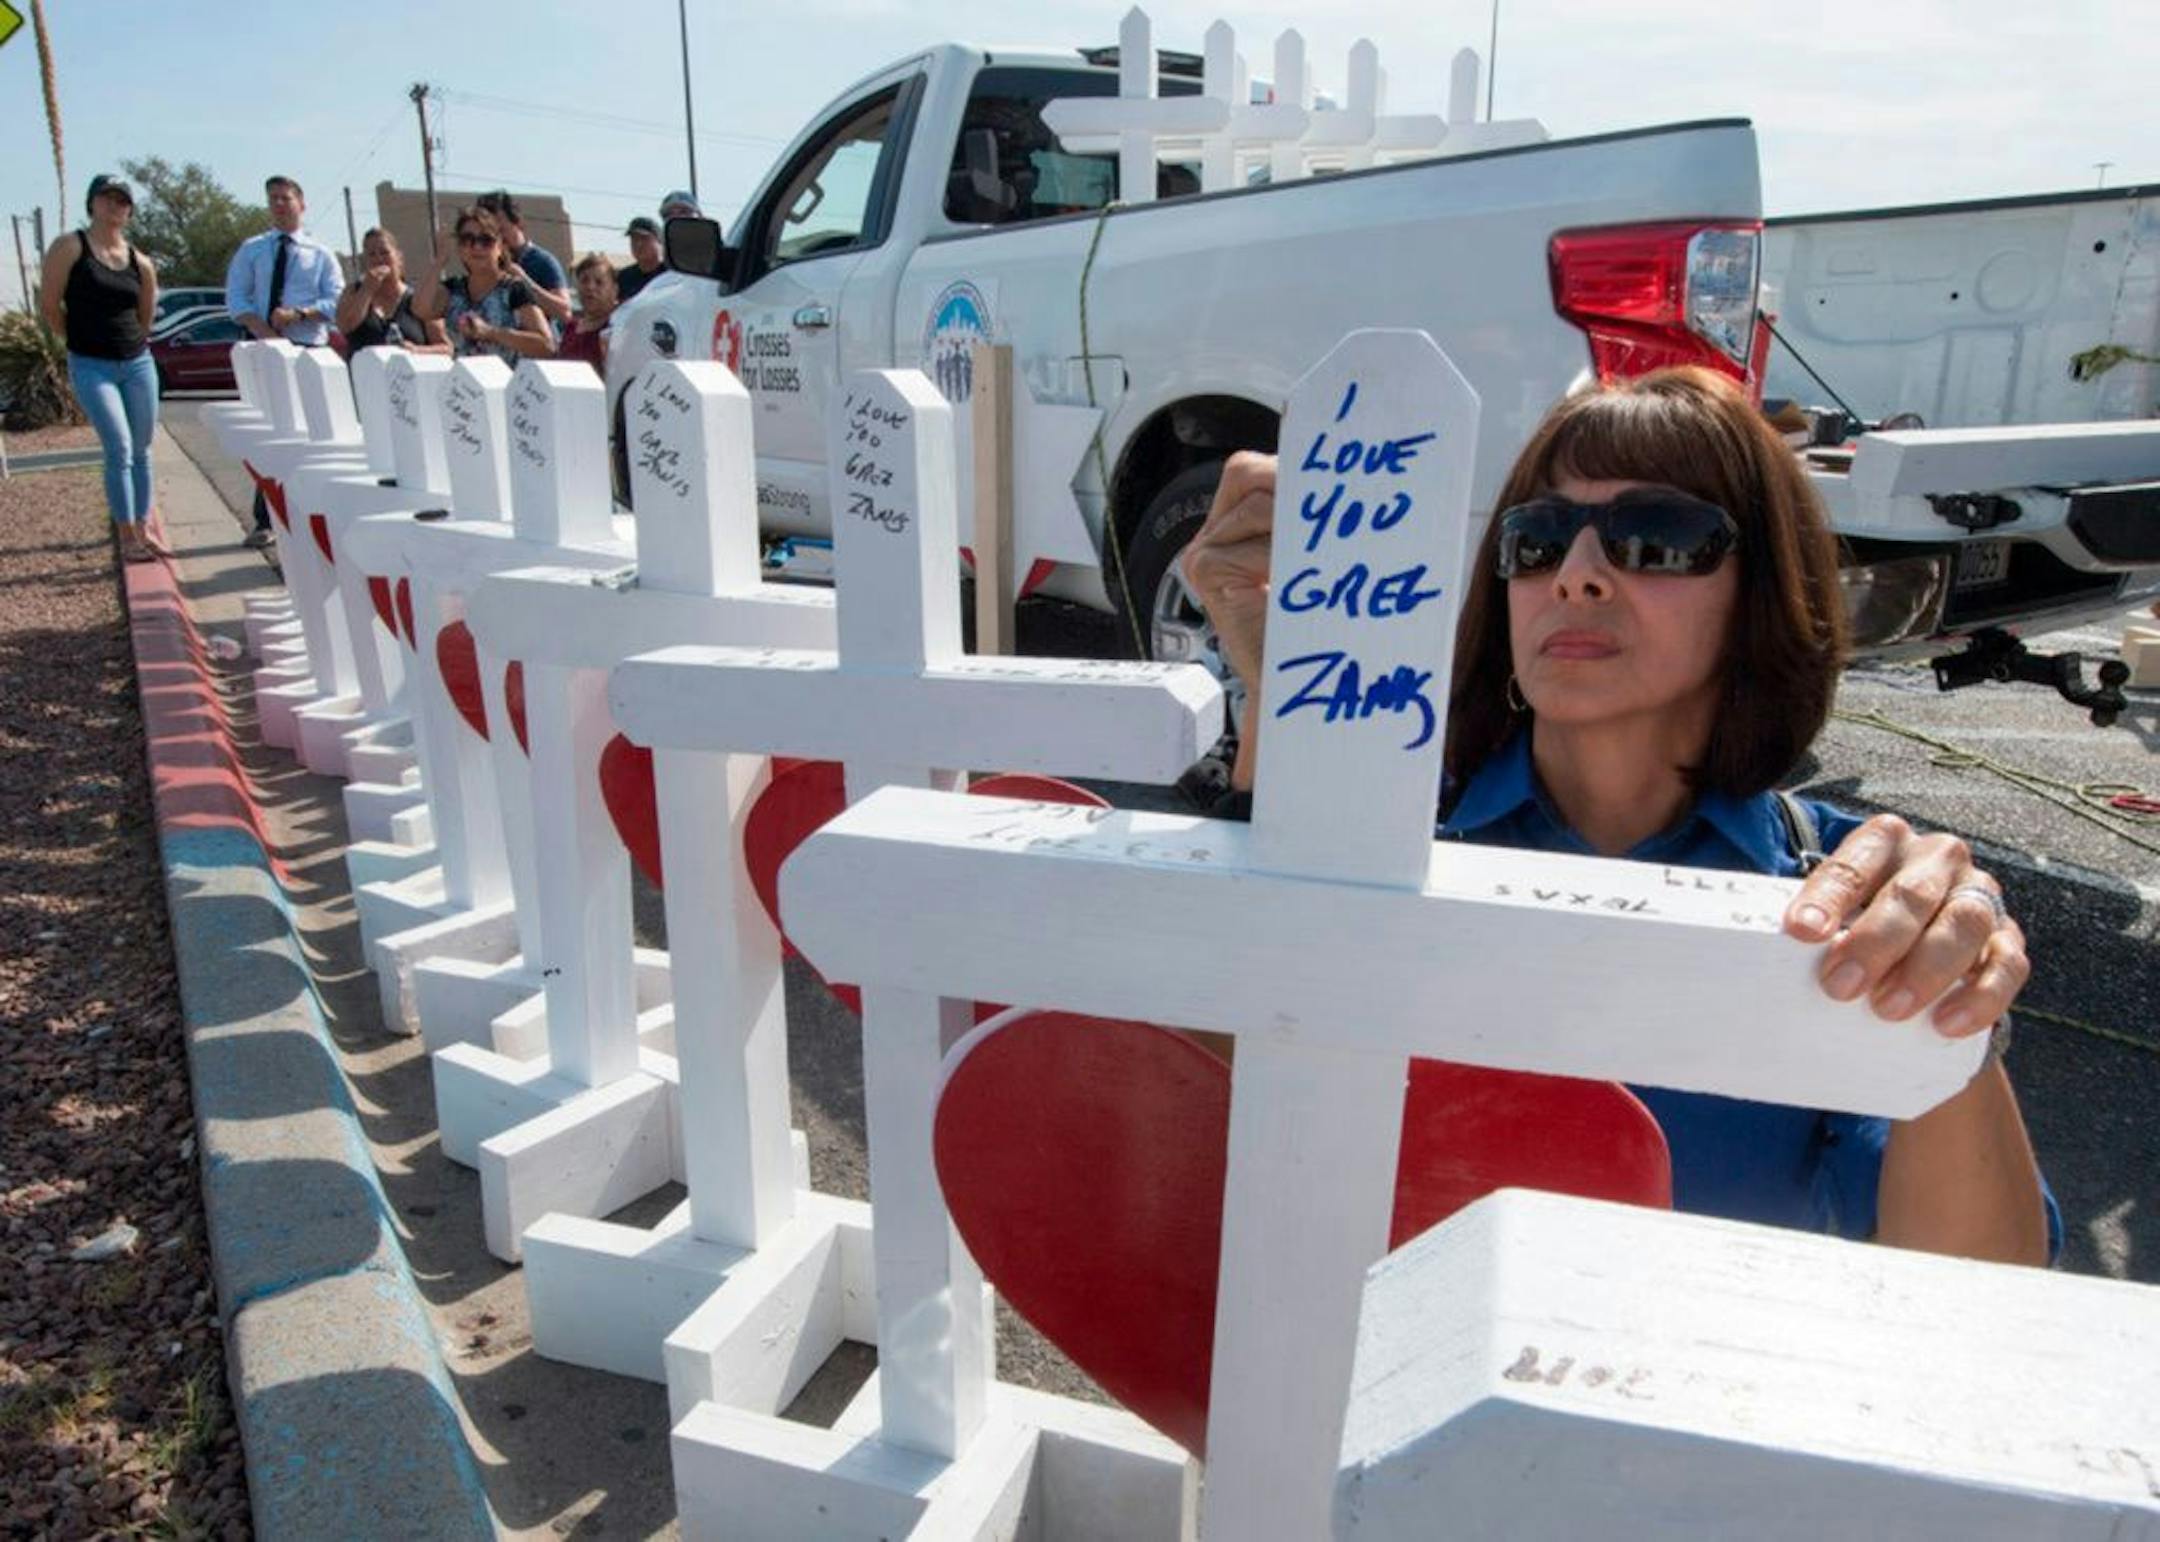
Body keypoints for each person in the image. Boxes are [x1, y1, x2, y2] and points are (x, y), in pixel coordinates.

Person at [1181, 366, 2056, 1267]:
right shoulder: (1379, 835)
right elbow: (1200, 1125)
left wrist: (1950, 1007)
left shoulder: (1847, 894)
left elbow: (1981, 1285)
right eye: (1538, 539)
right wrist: (1287, 694)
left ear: (1764, 592)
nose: (1579, 575)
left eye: (1656, 537)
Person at [38, 174, 159, 563]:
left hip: (137, 362)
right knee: (119, 447)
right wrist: (75, 340)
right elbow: (50, 305)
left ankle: (143, 528)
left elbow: (145, 315)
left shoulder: (140, 262)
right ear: (92, 203)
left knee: (142, 449)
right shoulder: (70, 247)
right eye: (107, 198)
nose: (115, 206)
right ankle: (125, 536)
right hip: (92, 364)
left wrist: (131, 345)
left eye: (123, 200)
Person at [225, 175, 346, 546]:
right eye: (273, 199)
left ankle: (314, 516)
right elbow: (236, 298)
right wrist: (264, 330)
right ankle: (267, 519)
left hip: (307, 349)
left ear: (301, 204)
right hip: (265, 347)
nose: (279, 204)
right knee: (270, 436)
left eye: (286, 198)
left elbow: (336, 302)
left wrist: (300, 314)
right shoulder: (253, 250)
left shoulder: (320, 253)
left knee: (311, 434)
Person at [412, 207, 555, 365]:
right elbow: (420, 310)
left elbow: (546, 345)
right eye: (467, 239)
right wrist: (439, 261)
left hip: (505, 384)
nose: (476, 247)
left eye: (486, 240)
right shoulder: (453, 289)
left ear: (500, 246)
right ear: (459, 247)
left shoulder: (513, 289)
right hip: (463, 385)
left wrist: (491, 332)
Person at [333, 227, 450, 354]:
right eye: (372, 254)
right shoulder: (353, 292)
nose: (379, 259)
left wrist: (417, 350)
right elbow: (345, 326)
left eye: (384, 253)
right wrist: (366, 290)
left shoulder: (418, 298)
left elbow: (446, 348)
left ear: (399, 258)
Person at [475, 191, 572, 328]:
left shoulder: (542, 261)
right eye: (489, 235)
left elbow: (565, 312)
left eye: (501, 230)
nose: (497, 239)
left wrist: (525, 283)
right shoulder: (487, 265)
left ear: (518, 223)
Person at [555, 254, 617, 374]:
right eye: (584, 281)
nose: (590, 287)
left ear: (614, 290)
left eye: (599, 282)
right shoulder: (571, 328)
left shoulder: (618, 327)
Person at [615, 216, 666, 302]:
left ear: (659, 241)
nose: (638, 244)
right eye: (634, 239)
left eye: (644, 238)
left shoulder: (670, 274)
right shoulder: (624, 277)